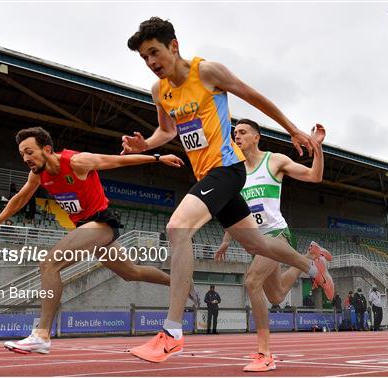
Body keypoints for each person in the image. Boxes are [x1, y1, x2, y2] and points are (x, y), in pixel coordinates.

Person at [124, 17, 333, 363]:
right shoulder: (159, 91)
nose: (151, 62)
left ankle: (172, 331)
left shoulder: (206, 72)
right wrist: (144, 144)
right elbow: (167, 132)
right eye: (145, 57)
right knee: (257, 244)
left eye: (154, 52)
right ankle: (312, 269)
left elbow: (253, 96)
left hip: (226, 170)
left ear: (173, 46)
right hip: (208, 175)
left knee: (177, 229)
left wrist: (293, 130)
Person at [0, 126, 199, 354]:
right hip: (85, 228)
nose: (25, 158)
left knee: (49, 264)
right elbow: (20, 198)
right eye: (21, 154)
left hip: (102, 223)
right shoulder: (38, 174)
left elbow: (117, 162)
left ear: (47, 149)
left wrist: (158, 157)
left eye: (29, 152)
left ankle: (41, 335)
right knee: (131, 272)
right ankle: (181, 283)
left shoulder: (78, 162)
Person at [213, 120, 331, 371]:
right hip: (256, 242)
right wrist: (225, 241)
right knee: (276, 296)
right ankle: (310, 258)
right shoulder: (236, 172)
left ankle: (264, 353)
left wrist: (317, 149)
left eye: (243, 132)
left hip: (278, 235)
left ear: (256, 137)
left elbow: (315, 176)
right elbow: (236, 212)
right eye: (235, 133)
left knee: (252, 282)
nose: (238, 136)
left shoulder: (274, 161)